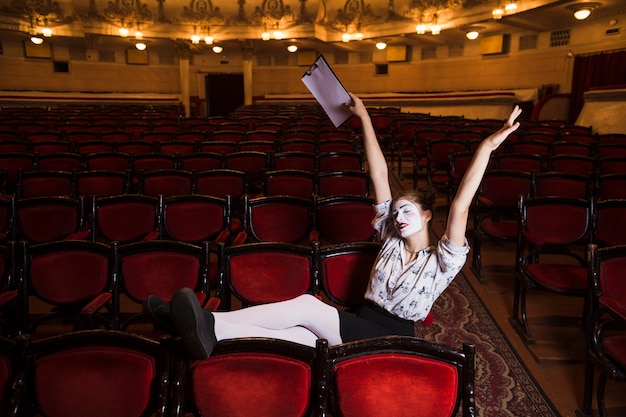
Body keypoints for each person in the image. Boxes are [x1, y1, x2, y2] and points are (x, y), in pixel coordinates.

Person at [144, 93, 522, 360]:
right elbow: (378, 171)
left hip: (391, 335)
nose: (399, 216)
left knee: (309, 305)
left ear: (426, 216)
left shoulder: (443, 260)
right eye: (397, 210)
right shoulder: (390, 239)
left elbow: (460, 205)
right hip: (360, 322)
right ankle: (201, 330)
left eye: (408, 210)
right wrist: (366, 119)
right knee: (297, 337)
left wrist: (487, 147)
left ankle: (206, 321)